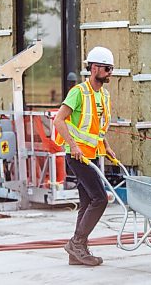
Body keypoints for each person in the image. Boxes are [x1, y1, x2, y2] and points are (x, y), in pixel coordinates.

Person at [53, 46, 117, 266]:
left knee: (87, 201)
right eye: (107, 69)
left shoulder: (103, 95)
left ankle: (76, 253)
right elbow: (59, 121)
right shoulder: (78, 92)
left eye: (112, 69)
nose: (110, 73)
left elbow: (97, 129)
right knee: (100, 198)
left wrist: (106, 146)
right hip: (78, 156)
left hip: (91, 155)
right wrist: (73, 146)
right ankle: (77, 243)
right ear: (95, 67)